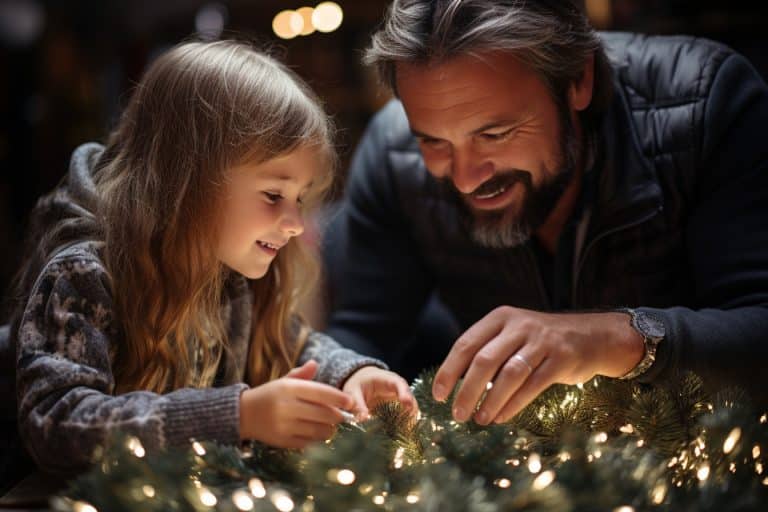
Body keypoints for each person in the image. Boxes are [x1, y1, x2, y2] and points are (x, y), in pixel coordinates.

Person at [323, 0, 768, 427]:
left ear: (578, 80)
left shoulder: (707, 103)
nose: (464, 179)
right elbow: (364, 331)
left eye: (495, 134)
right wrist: (347, 375)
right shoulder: (390, 152)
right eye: (433, 141)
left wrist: (614, 338)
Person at [2, 39, 416, 478]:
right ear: (190, 180)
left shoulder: (230, 271)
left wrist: (348, 377)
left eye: (300, 198)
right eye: (274, 195)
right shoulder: (84, 275)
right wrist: (237, 416)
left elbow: (294, 346)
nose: (295, 223)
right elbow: (56, 423)